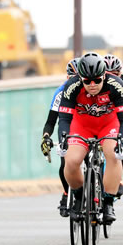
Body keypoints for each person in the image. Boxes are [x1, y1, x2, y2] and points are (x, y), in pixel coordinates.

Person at [57, 52, 123, 223]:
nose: (92, 85)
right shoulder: (71, 85)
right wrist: (63, 139)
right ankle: (78, 195)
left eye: (97, 80)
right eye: (87, 81)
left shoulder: (116, 85)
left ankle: (108, 202)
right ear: (80, 78)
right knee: (72, 160)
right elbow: (64, 118)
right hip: (82, 125)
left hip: (108, 125)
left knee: (113, 154)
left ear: (104, 76)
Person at [41, 58, 80, 216]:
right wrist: (45, 137)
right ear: (67, 78)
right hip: (68, 125)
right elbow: (51, 121)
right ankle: (66, 193)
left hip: (87, 125)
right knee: (65, 161)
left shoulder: (92, 89)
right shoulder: (61, 92)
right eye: (73, 78)